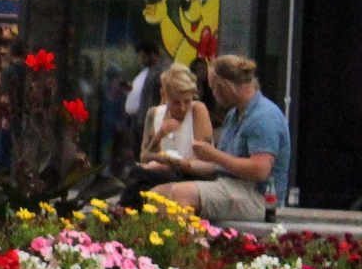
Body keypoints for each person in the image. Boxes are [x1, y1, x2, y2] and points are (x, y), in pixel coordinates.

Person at [154, 53, 287, 223]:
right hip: (230, 186)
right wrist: (182, 164)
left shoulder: (263, 116)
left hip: (259, 198)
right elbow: (219, 167)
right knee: (158, 194)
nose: (214, 95)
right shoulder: (234, 115)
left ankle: (184, 247)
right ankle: (159, 245)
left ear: (226, 86)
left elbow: (260, 170)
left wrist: (213, 154)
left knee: (182, 194)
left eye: (214, 88)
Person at [121, 64, 214, 202]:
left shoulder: (197, 111)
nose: (182, 108)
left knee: (138, 184)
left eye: (187, 101)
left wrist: (175, 163)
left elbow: (206, 160)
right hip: (162, 174)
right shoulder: (154, 113)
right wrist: (160, 134)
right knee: (137, 180)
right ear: (164, 95)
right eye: (176, 102)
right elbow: (144, 156)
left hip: (190, 176)